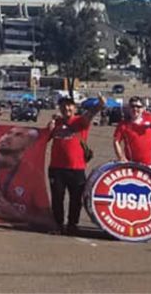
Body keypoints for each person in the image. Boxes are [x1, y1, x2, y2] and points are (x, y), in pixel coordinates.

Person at [46, 95, 105, 235]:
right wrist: (49, 127)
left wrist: (100, 104)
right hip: (57, 168)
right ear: (60, 108)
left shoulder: (80, 122)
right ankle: (58, 224)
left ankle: (72, 224)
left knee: (76, 199)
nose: (67, 108)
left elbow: (91, 113)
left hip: (76, 168)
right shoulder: (56, 123)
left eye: (70, 105)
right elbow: (44, 139)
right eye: (64, 106)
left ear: (74, 108)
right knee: (57, 198)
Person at [113, 96, 151, 171]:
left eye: (138, 106)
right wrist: (121, 158)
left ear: (143, 108)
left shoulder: (150, 119)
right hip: (133, 166)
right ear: (129, 108)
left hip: (150, 166)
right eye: (132, 106)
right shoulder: (123, 125)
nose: (135, 109)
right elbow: (116, 141)